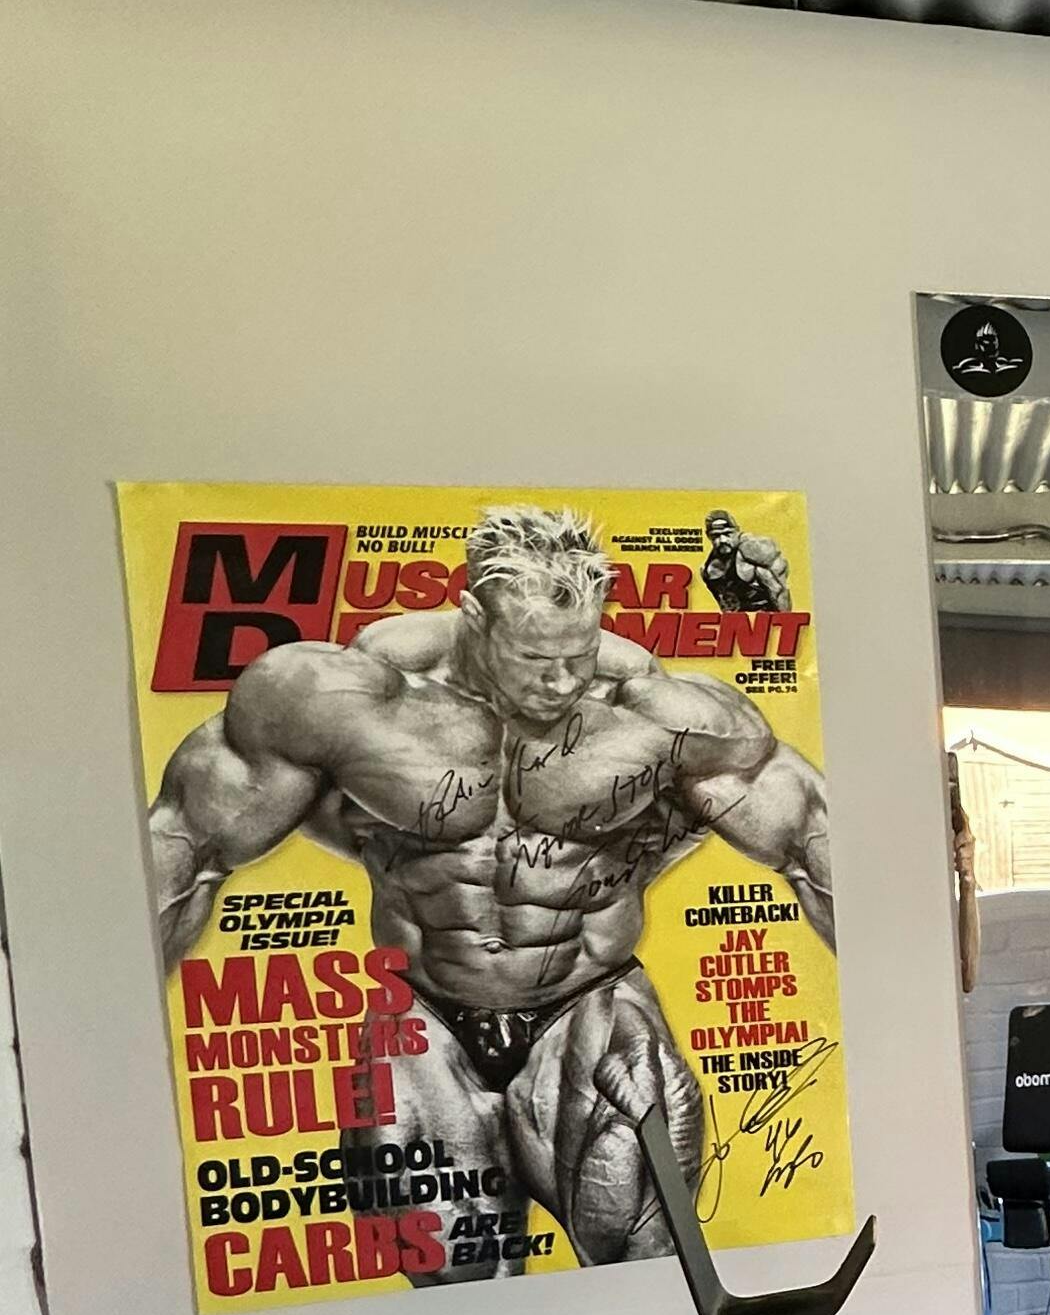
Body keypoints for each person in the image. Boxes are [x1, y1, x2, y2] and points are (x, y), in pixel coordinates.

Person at [148, 503, 831, 1275]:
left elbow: (815, 852)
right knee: (455, 1275)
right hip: (423, 1014)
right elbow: (185, 859)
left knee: (640, 1257)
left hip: (588, 1001)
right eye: (535, 657)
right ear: (474, 615)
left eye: (579, 654)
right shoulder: (337, 699)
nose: (562, 681)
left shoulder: (655, 713)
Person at [701, 507, 791, 614]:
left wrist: (785, 621)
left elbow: (778, 591)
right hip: (738, 621)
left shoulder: (753, 554)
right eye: (716, 536)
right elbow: (725, 604)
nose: (722, 540)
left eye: (727, 534)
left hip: (764, 618)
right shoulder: (707, 570)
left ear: (737, 531)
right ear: (708, 536)